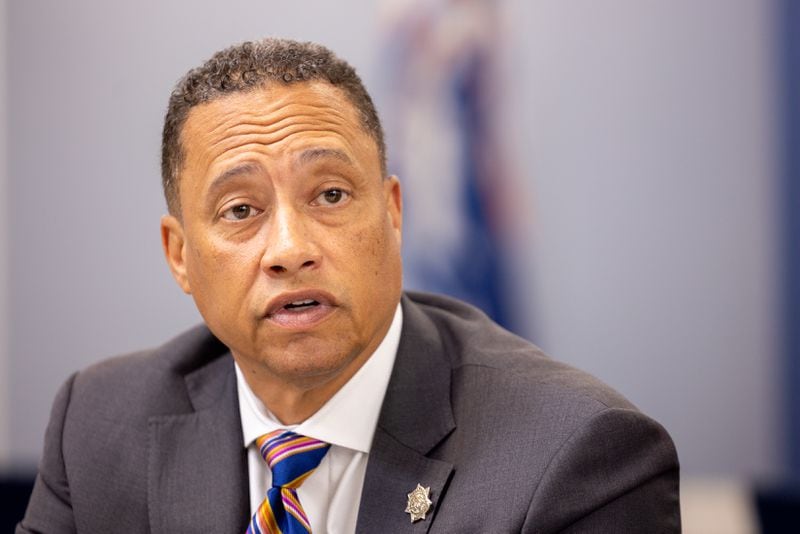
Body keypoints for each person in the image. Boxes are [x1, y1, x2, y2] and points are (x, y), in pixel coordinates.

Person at [17, 38, 680, 533]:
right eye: (241, 210)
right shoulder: (98, 425)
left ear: (393, 212)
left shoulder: (578, 459)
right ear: (180, 255)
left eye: (330, 194)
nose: (291, 249)